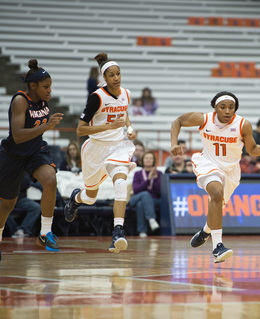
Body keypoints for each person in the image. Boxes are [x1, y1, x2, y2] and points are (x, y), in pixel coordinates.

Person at [170, 91, 260, 263]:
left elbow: (253, 150)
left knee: (216, 205)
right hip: (207, 164)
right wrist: (174, 143)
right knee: (216, 193)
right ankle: (218, 247)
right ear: (215, 107)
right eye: (222, 107)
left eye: (231, 107)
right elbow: (177, 121)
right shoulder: (204, 119)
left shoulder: (243, 125)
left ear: (235, 109)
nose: (227, 111)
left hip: (231, 171)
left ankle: (206, 231)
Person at [64, 52, 137, 253]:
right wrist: (109, 126)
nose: (116, 78)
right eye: (112, 75)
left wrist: (128, 128)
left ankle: (118, 232)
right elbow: (80, 130)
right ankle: (76, 198)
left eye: (118, 74)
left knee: (121, 183)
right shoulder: (97, 98)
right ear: (104, 78)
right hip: (95, 149)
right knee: (91, 197)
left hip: (118, 147)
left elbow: (124, 110)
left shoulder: (126, 93)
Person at [0, 59, 64, 261]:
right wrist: (46, 127)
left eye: (50, 87)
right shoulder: (20, 100)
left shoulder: (43, 100)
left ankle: (45, 233)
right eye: (46, 87)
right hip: (14, 154)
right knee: (7, 205)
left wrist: (43, 129)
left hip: (36, 150)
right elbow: (18, 135)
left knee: (50, 180)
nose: (49, 91)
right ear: (33, 86)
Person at [128, 151, 161, 237]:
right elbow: (136, 190)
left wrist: (156, 178)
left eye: (151, 158)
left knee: (140, 204)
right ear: (143, 160)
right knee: (145, 194)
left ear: (154, 161)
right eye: (146, 158)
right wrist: (148, 179)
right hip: (137, 197)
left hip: (153, 200)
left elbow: (160, 192)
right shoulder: (138, 173)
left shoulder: (159, 173)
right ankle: (151, 219)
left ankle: (142, 231)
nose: (148, 160)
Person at [5, 172, 41, 238]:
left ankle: (23, 229)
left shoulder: (22, 169)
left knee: (36, 207)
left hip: (19, 199)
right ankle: (15, 230)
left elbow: (27, 183)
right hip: (4, 199)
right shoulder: (3, 168)